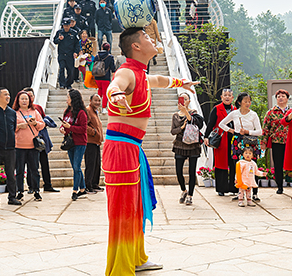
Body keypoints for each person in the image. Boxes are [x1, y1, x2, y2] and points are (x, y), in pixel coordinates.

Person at [104, 27, 199, 275]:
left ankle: (135, 256)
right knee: (123, 209)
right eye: (146, 37)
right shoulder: (126, 72)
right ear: (135, 46)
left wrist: (181, 83)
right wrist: (114, 96)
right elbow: (115, 85)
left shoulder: (141, 74)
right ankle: (120, 266)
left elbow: (158, 80)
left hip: (133, 147)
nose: (152, 38)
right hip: (121, 148)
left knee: (135, 206)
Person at [218, 92, 263, 201]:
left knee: (252, 166)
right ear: (239, 102)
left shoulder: (253, 114)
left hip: (251, 142)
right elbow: (221, 124)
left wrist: (248, 131)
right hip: (237, 141)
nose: (248, 103)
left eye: (249, 101)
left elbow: (260, 131)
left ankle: (254, 193)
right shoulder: (234, 113)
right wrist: (231, 130)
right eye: (245, 101)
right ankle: (240, 192)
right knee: (237, 167)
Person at [23, 87, 60, 193]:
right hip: (29, 141)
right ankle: (32, 187)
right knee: (31, 165)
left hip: (41, 140)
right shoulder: (21, 110)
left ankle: (48, 185)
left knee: (44, 163)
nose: (29, 98)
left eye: (31, 96)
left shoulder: (38, 108)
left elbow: (43, 121)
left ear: (34, 97)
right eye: (27, 96)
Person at [170, 92, 204, 206]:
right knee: (178, 171)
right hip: (179, 145)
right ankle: (184, 190)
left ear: (189, 101)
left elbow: (198, 124)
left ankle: (190, 195)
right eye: (182, 99)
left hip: (193, 145)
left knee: (191, 171)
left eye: (186, 99)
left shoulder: (193, 113)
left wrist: (186, 112)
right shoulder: (175, 115)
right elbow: (173, 131)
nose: (184, 101)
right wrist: (182, 127)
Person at [13, 90, 45, 202]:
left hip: (33, 147)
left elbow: (42, 125)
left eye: (26, 98)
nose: (24, 101)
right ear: (18, 100)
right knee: (20, 170)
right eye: (22, 98)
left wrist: (35, 123)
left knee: (34, 170)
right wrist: (18, 126)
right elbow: (10, 127)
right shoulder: (14, 113)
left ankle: (36, 191)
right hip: (19, 146)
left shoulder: (35, 112)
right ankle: (20, 191)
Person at [204, 89, 237, 196]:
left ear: (233, 98)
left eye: (229, 95)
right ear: (221, 97)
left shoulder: (236, 110)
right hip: (221, 140)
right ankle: (221, 189)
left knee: (234, 164)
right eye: (225, 95)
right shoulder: (217, 109)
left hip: (234, 140)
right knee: (221, 164)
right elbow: (210, 124)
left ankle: (233, 188)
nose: (227, 97)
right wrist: (206, 136)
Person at [59, 89, 89, 201]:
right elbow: (66, 127)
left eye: (68, 97)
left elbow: (83, 129)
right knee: (75, 167)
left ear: (73, 99)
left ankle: (75, 190)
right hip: (70, 142)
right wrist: (63, 130)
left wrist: (69, 127)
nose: (67, 99)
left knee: (76, 167)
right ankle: (83, 188)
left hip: (80, 143)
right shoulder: (67, 112)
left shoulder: (81, 113)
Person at [261, 89, 290, 194]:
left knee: (291, 164)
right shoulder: (271, 112)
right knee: (278, 164)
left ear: (287, 99)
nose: (281, 98)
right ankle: (280, 186)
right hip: (277, 141)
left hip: (290, 141)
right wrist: (263, 142)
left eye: (283, 96)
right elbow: (266, 128)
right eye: (278, 96)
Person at [85, 94, 104, 193]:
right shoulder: (88, 110)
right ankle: (88, 185)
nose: (97, 102)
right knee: (90, 164)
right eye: (95, 100)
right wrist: (94, 132)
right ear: (90, 100)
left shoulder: (96, 112)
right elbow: (84, 125)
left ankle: (94, 184)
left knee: (97, 164)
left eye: (99, 101)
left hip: (97, 142)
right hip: (90, 142)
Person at [53, 18, 79, 89]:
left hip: (70, 54)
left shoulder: (74, 33)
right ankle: (62, 84)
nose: (66, 27)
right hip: (62, 54)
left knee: (70, 70)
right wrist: (59, 39)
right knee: (61, 68)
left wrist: (76, 52)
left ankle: (68, 84)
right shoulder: (59, 32)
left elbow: (77, 44)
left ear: (70, 25)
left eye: (67, 25)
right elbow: (54, 41)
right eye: (64, 25)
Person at [93, 43, 116, 114]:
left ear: (102, 48)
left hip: (97, 77)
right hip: (105, 77)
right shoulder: (110, 57)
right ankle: (103, 108)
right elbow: (113, 68)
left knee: (99, 92)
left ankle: (96, 107)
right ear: (108, 49)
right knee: (105, 93)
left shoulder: (97, 56)